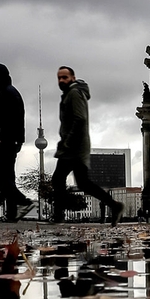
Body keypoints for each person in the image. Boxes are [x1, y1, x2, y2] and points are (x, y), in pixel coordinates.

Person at [51, 66, 122, 225]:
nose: (61, 80)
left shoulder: (74, 94)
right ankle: (114, 205)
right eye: (59, 78)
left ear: (73, 78)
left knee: (58, 178)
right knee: (83, 183)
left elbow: (80, 119)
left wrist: (68, 141)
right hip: (75, 145)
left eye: (65, 77)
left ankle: (58, 216)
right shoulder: (70, 94)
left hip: (74, 146)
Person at [0, 63, 34, 222]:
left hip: (6, 141)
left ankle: (23, 203)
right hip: (10, 140)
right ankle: (12, 213)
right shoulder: (10, 93)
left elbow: (9, 120)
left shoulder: (7, 94)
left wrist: (1, 137)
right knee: (7, 176)